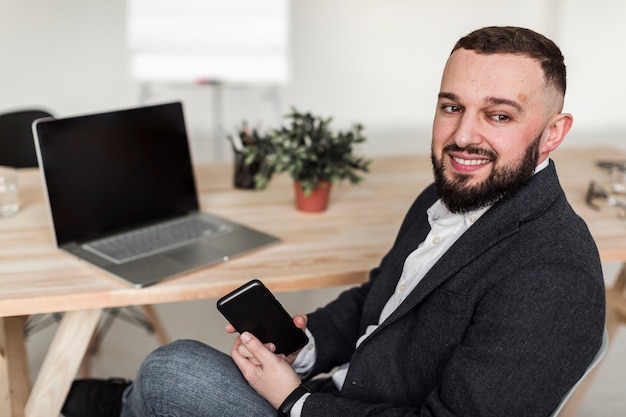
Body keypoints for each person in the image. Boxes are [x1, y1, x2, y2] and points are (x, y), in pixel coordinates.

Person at [63, 26, 606, 417]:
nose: (463, 136)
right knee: (179, 375)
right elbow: (381, 298)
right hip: (342, 392)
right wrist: (305, 347)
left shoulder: (552, 275)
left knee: (172, 369)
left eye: (499, 115)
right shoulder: (449, 194)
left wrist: (295, 400)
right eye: (450, 106)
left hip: (334, 407)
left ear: (553, 133)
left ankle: (126, 404)